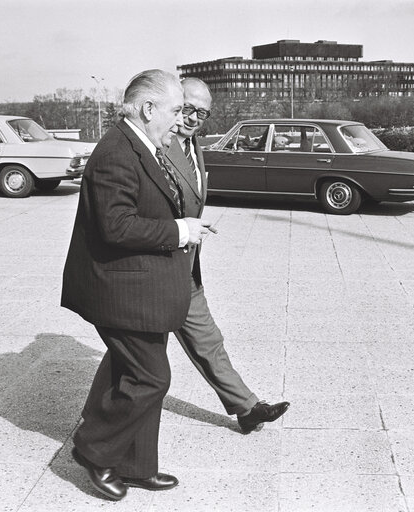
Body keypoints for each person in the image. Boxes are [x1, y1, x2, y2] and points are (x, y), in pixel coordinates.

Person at [61, 70, 214, 501]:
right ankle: (95, 450)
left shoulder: (142, 143)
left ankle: (137, 466)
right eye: (175, 110)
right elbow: (116, 225)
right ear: (148, 109)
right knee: (151, 378)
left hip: (143, 289)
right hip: (118, 290)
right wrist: (179, 231)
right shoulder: (117, 151)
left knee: (132, 372)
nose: (180, 119)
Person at [165, 78, 289, 434]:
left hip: (183, 266)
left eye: (201, 114)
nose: (192, 118)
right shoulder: (157, 144)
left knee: (207, 339)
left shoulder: (192, 145)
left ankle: (247, 409)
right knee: (136, 358)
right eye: (187, 108)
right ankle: (96, 423)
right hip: (157, 268)